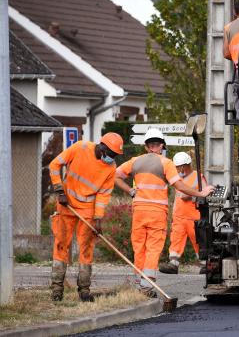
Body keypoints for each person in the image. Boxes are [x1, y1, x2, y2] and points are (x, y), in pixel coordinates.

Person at [114, 129, 215, 297]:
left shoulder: (135, 161)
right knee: (153, 248)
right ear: (161, 145)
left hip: (139, 211)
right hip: (157, 213)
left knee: (139, 247)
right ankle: (147, 287)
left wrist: (130, 191)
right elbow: (180, 186)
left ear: (146, 146)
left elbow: (115, 176)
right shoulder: (166, 163)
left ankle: (139, 284)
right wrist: (201, 193)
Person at [48, 132, 124, 302]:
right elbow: (54, 165)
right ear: (102, 146)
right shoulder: (80, 147)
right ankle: (57, 289)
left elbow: (103, 195)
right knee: (61, 245)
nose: (112, 158)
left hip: (87, 210)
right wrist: (60, 191)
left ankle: (84, 290)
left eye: (115, 155)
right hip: (66, 204)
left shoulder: (110, 169)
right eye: (111, 154)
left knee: (87, 249)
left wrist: (98, 219)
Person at [159, 152, 208, 275]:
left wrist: (191, 196)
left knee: (198, 241)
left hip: (194, 217)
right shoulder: (176, 178)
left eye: (178, 167)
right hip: (179, 216)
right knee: (176, 240)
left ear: (185, 165)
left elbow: (206, 196)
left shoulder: (198, 177)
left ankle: (205, 265)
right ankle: (173, 264)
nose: (177, 169)